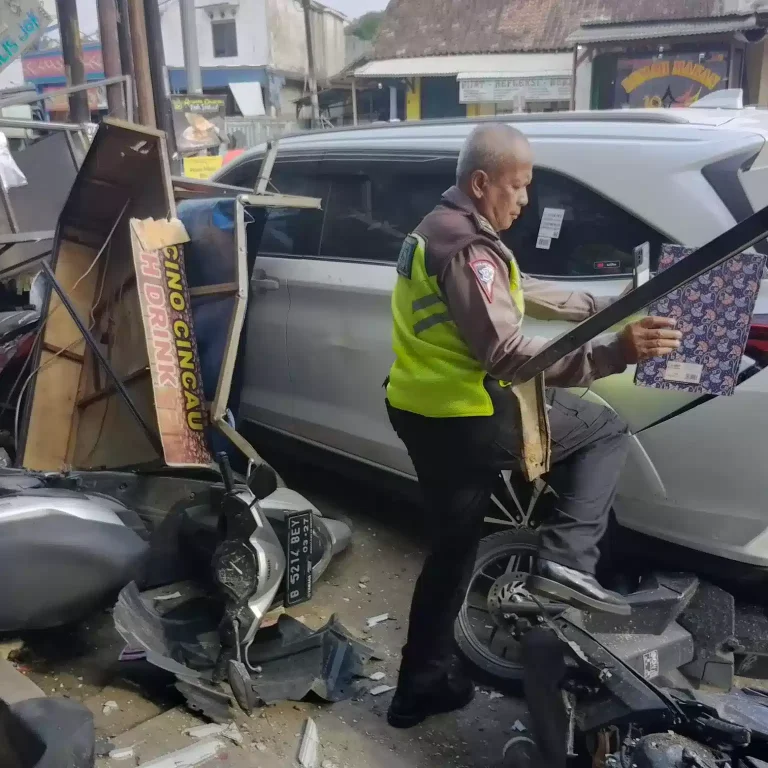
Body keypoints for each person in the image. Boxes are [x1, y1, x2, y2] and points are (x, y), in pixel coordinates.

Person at [383, 123, 682, 730]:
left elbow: (519, 291)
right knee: (602, 432)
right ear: (481, 182)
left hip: (420, 407)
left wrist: (605, 309)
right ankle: (565, 565)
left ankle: (419, 686)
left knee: (453, 551)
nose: (524, 200)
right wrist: (614, 353)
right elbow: (508, 354)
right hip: (465, 414)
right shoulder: (468, 248)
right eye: (517, 187)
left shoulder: (443, 226)